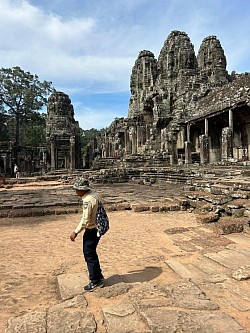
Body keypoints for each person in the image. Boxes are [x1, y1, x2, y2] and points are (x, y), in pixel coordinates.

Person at [70, 177, 104, 291]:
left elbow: (85, 220)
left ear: (83, 190)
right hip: (97, 228)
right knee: (92, 253)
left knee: (89, 254)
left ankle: (95, 280)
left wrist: (75, 232)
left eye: (77, 189)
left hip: (91, 230)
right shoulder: (95, 194)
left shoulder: (87, 200)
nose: (76, 192)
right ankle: (97, 275)